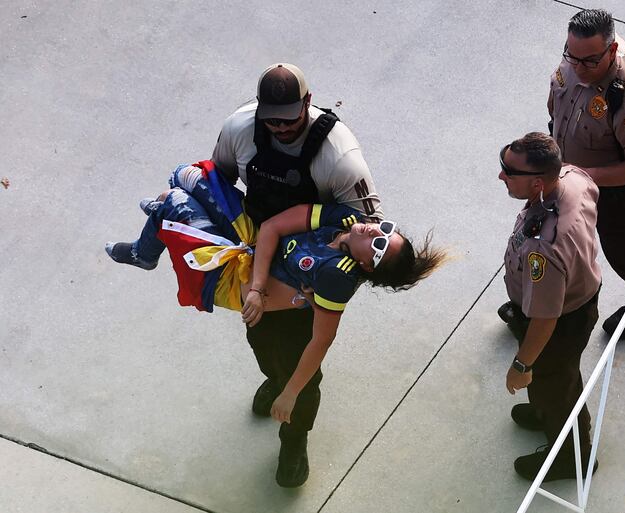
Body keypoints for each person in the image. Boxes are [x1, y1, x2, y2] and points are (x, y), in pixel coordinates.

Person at [105, 161, 444, 486]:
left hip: (293, 323)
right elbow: (272, 227)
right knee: (183, 179)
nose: (376, 229)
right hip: (259, 289)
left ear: (367, 265)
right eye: (387, 229)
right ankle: (275, 380)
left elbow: (321, 341)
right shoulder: (349, 220)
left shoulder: (337, 276)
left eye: (380, 244)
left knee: (303, 385)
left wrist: (290, 393)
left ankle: (294, 441)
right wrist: (257, 288)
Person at [215, 62, 382, 487]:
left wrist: (325, 289)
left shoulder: (339, 157)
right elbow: (219, 183)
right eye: (271, 119)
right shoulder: (240, 129)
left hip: (308, 278)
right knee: (260, 339)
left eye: (289, 119)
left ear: (308, 102)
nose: (280, 127)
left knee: (304, 367)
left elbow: (371, 237)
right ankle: (276, 377)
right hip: (258, 257)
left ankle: (294, 438)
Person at [538, 8, 625, 340]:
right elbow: (556, 96)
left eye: (589, 62)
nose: (578, 67)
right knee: (552, 241)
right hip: (566, 173)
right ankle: (539, 303)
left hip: (616, 193)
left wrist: (577, 173)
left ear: (612, 50)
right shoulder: (577, 58)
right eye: (572, 57)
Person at [499, 132, 601, 482]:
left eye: (509, 171)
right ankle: (544, 408)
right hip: (580, 294)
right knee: (553, 379)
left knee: (559, 386)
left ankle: (573, 458)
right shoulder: (572, 176)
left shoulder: (546, 244)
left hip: (562, 320)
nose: (501, 176)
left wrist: (520, 365)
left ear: (539, 183)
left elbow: (545, 320)